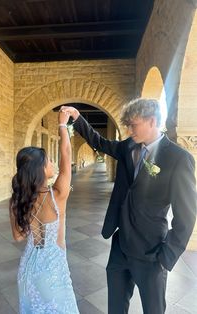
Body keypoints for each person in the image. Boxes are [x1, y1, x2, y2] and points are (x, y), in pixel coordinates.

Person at [61, 98, 197, 314]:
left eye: (133, 125)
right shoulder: (128, 147)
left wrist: (166, 255)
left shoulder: (179, 159)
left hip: (151, 250)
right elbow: (100, 142)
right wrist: (77, 119)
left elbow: (187, 215)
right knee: (115, 308)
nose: (128, 129)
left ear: (152, 121)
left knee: (153, 310)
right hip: (120, 246)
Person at [9, 110, 79, 313]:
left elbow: (18, 236)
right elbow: (66, 153)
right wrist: (62, 125)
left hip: (28, 269)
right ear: (40, 169)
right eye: (49, 161)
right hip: (52, 270)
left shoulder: (17, 200)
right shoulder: (57, 195)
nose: (53, 163)